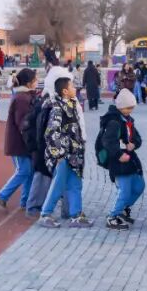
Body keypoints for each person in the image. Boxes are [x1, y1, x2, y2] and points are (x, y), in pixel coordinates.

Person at [38, 77, 93, 228]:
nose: (75, 88)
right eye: (72, 86)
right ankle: (45, 214)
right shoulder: (57, 108)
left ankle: (76, 215)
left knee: (75, 184)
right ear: (65, 91)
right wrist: (60, 154)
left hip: (75, 155)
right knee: (58, 184)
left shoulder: (72, 105)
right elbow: (51, 133)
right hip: (63, 156)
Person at [26, 66, 73, 219]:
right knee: (43, 178)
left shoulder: (67, 103)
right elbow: (37, 127)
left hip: (63, 148)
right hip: (46, 149)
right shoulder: (47, 104)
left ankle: (69, 209)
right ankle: (34, 207)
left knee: (65, 178)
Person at [0, 68, 38, 212]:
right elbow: (23, 124)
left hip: (25, 143)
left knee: (29, 171)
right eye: (35, 80)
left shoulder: (27, 96)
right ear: (30, 83)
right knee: (24, 171)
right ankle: (2, 196)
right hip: (19, 144)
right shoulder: (21, 98)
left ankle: (25, 201)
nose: (37, 82)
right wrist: (31, 140)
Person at [102, 89, 145, 230]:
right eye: (127, 108)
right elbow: (108, 141)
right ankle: (113, 216)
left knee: (139, 186)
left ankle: (123, 208)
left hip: (130, 159)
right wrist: (119, 155)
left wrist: (134, 143)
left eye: (131, 108)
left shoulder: (128, 120)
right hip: (119, 161)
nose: (130, 111)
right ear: (120, 106)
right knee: (124, 190)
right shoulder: (114, 122)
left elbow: (137, 137)